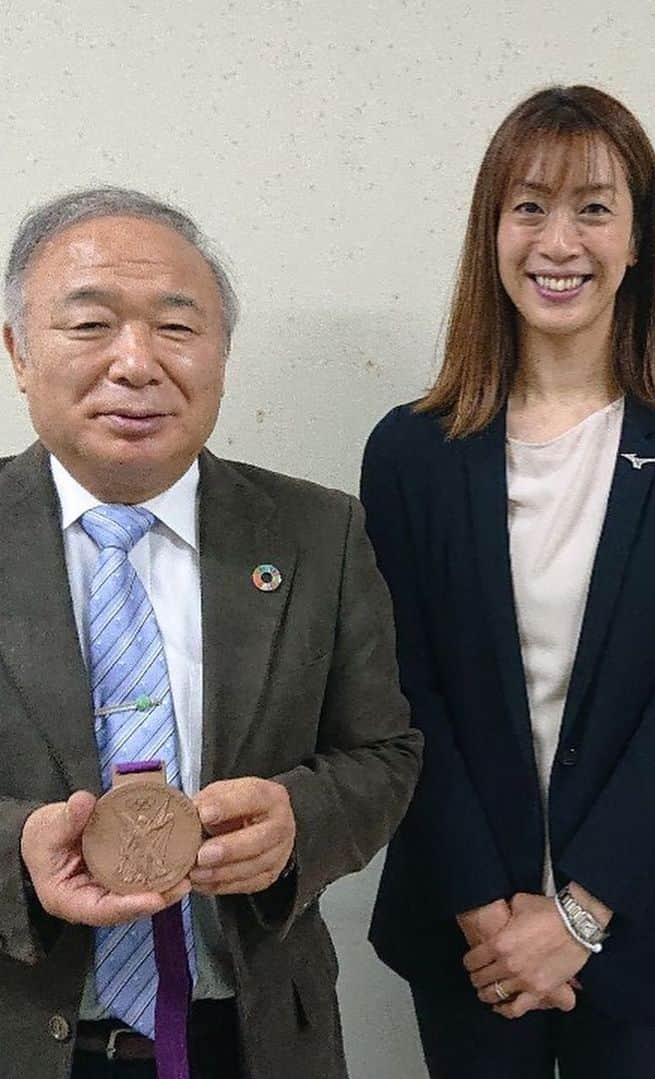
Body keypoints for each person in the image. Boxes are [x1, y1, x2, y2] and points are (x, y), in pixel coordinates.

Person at [361, 85, 655, 1079]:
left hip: (649, 904)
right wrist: (490, 910)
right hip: (471, 917)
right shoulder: (412, 450)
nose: (560, 241)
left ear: (639, 240)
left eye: (594, 207)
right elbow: (404, 690)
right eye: (528, 206)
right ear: (490, 234)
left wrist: (579, 913)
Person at [0, 187, 422, 1079]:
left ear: (222, 356)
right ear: (17, 352)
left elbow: (384, 751)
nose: (136, 362)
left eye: (177, 327)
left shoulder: (318, 535)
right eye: (90, 325)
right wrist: (17, 849)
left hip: (255, 1036)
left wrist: (297, 821)